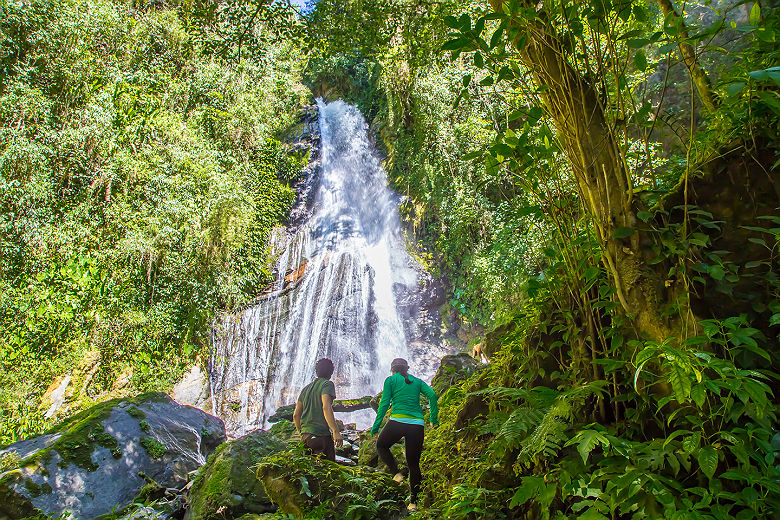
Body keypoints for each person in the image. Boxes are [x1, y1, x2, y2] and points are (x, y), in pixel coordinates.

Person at [371, 358, 438, 512]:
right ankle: (413, 503)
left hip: (397, 422)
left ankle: (396, 474)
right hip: (417, 425)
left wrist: (376, 427)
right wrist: (433, 419)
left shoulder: (391, 380)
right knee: (413, 464)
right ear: (407, 369)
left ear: (392, 370)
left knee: (381, 445)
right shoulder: (417, 381)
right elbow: (432, 395)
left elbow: (384, 404)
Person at [293, 358, 343, 461]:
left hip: (306, 438)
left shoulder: (305, 389)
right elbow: (326, 406)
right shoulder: (327, 384)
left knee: (310, 472)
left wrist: (301, 432)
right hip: (321, 436)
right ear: (331, 372)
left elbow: (296, 415)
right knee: (328, 471)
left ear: (316, 371)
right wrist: (335, 430)